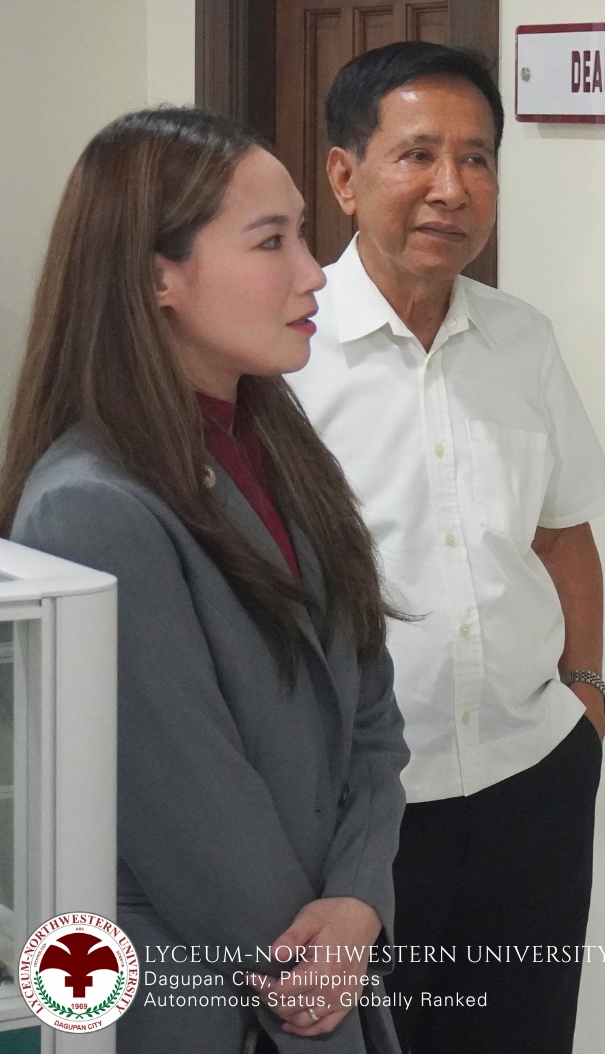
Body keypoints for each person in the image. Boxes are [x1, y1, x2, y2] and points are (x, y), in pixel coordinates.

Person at [0, 108, 407, 1053]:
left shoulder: (277, 442)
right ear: (158, 278)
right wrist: (316, 968)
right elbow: (194, 821)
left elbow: (372, 716)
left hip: (324, 964)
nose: (313, 271)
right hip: (211, 1002)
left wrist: (360, 898)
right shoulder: (92, 505)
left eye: (302, 233)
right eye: (272, 241)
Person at [285, 42, 605, 1054]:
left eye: (476, 159)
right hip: (359, 813)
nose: (451, 188)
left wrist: (587, 695)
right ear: (344, 176)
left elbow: (562, 531)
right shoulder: (284, 359)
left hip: (532, 779)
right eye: (417, 155)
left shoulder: (522, 338)